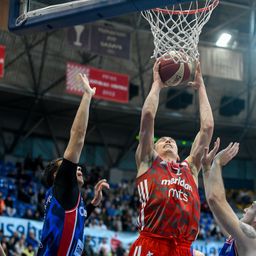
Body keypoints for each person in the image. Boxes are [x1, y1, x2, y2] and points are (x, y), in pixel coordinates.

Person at [129, 59, 214, 256]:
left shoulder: (190, 168)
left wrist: (201, 88)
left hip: (182, 248)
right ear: (154, 148)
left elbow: (207, 128)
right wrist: (157, 84)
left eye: (171, 140)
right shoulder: (148, 161)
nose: (167, 140)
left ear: (178, 151)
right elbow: (148, 115)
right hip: (151, 243)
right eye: (162, 140)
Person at [37, 73, 109, 256]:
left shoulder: (63, 198)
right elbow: (78, 136)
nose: (77, 167)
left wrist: (92, 204)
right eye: (68, 166)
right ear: (57, 175)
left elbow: (74, 220)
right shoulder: (62, 186)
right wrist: (86, 96)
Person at [202, 138, 256, 256]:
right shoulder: (237, 238)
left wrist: (218, 162)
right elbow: (215, 208)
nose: (245, 209)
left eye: (250, 208)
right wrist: (206, 169)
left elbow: (216, 199)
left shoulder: (251, 239)